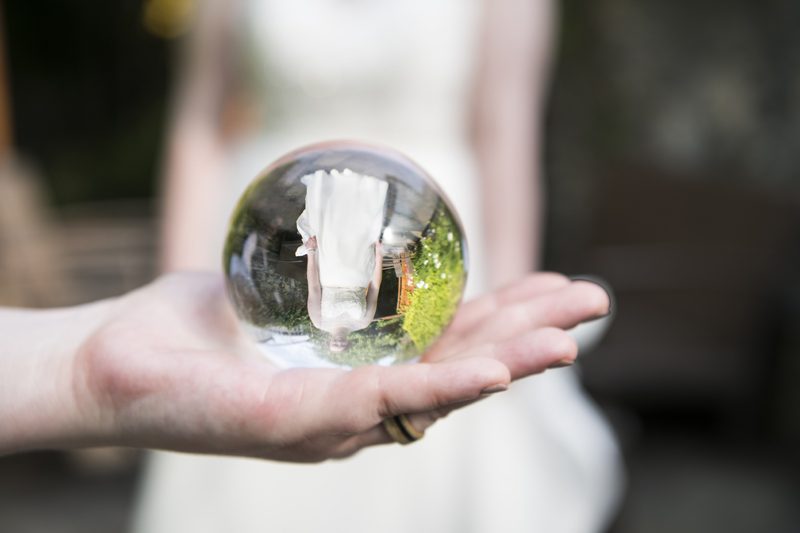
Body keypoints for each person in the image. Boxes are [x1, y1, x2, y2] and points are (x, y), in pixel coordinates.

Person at [148, 0, 623, 531]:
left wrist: (508, 291)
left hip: (424, 237)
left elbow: (505, 133)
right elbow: (201, 122)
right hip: (266, 247)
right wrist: (179, 295)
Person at [0, 271, 609, 459]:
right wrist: (84, 368)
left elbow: (507, 134)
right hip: (246, 304)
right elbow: (202, 125)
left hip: (441, 280)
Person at [296, 168, 388, 350]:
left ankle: (334, 185)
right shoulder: (363, 322)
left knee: (333, 228)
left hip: (331, 270)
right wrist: (379, 254)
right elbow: (375, 288)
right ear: (348, 344)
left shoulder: (319, 322)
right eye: (342, 345)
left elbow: (313, 287)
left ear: (329, 343)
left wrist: (312, 253)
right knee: (358, 229)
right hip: (360, 270)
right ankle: (364, 187)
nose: (338, 342)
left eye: (334, 345)